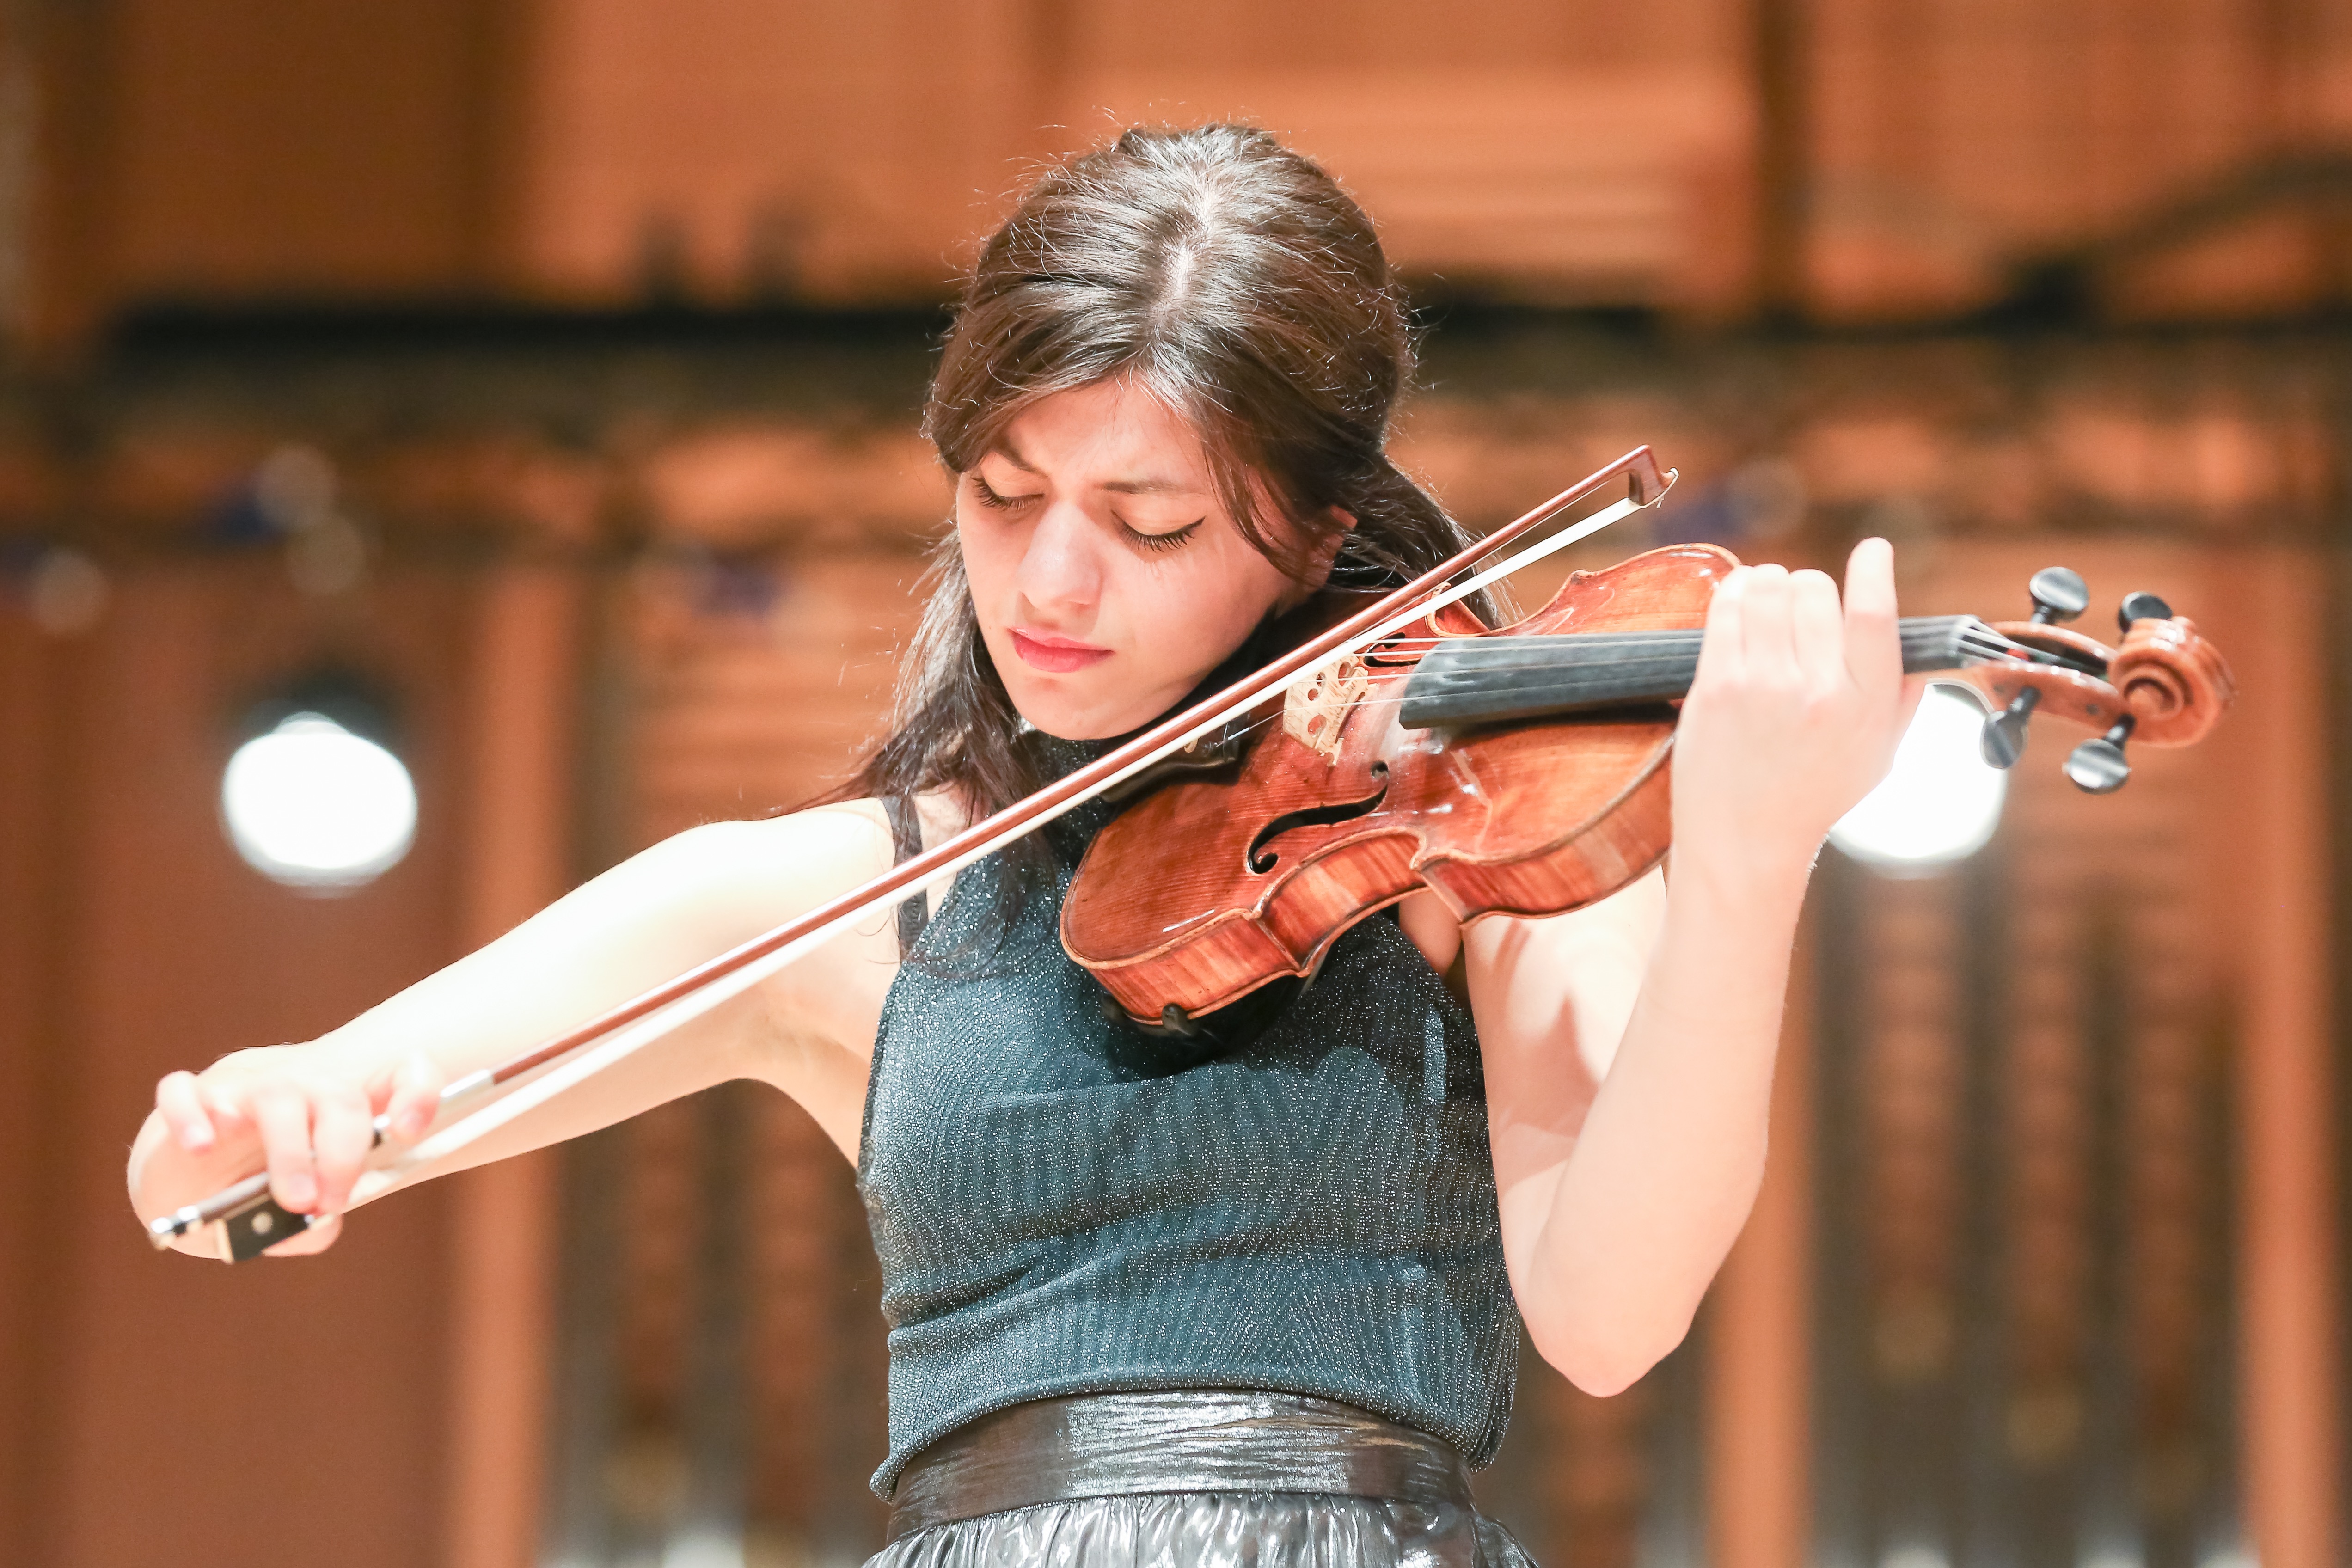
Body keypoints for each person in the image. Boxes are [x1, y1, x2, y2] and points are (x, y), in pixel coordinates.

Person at [127, 124, 1917, 1567]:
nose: (1050, 582)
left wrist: (1746, 864)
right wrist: (260, 1115)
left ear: (1315, 540)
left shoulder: (1465, 835)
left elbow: (1610, 1313)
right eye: (1003, 495)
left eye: (1149, 525)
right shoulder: (848, 903)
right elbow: (200, 1193)